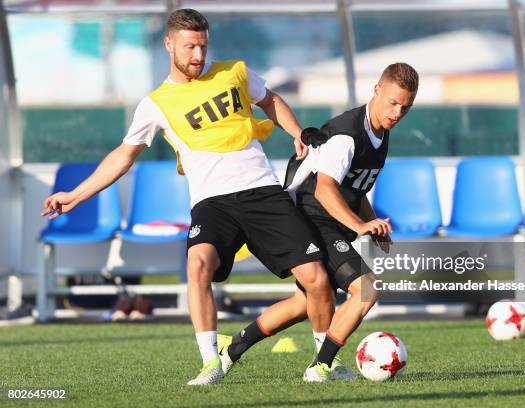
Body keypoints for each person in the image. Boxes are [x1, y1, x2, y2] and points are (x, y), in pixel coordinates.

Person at [41, 9, 334, 386]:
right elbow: (123, 156)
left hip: (262, 191)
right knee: (198, 263)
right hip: (214, 203)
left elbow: (270, 100)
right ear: (169, 44)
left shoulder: (235, 72)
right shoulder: (156, 103)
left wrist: (295, 131)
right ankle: (211, 362)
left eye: (202, 46)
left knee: (317, 280)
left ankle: (322, 364)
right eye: (189, 46)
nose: (198, 55)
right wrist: (77, 195)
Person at [218, 63, 419, 382]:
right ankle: (321, 365)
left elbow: (355, 189)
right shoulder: (348, 135)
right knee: (366, 289)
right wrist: (361, 226)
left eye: (405, 107)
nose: (397, 112)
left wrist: (370, 221)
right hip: (310, 218)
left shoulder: (380, 134)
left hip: (327, 221)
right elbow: (325, 190)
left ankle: (232, 349)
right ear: (377, 90)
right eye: (393, 102)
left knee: (304, 302)